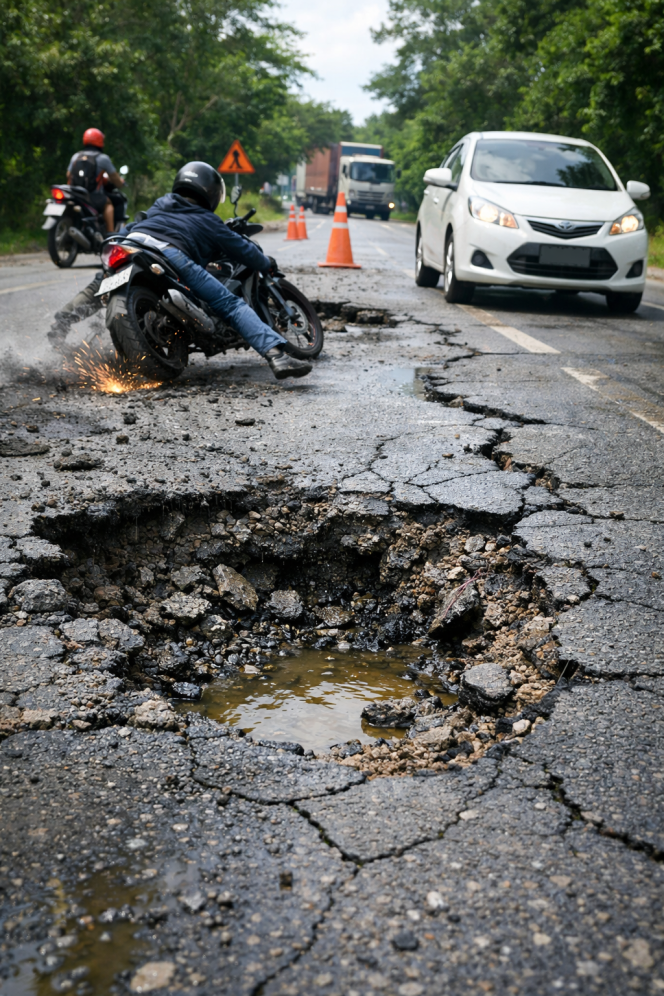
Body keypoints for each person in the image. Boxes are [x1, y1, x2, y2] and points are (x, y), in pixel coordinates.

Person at [50, 161, 311, 380]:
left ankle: (62, 320)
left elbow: (132, 225)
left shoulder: (161, 205)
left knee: (102, 281)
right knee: (230, 305)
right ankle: (277, 356)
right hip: (170, 253)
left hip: (131, 243)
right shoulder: (209, 220)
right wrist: (266, 263)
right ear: (211, 192)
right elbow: (244, 251)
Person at [67, 128, 125, 234]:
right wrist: (120, 183)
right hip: (92, 196)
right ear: (100, 141)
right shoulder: (103, 158)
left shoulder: (76, 156)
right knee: (108, 204)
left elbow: (68, 175)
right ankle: (110, 234)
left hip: (75, 195)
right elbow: (115, 178)